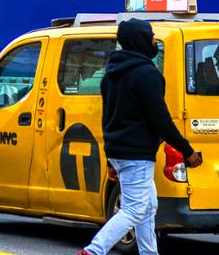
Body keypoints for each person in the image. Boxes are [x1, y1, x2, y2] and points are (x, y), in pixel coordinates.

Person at [79, 18, 203, 255]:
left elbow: (108, 118)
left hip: (119, 152)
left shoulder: (111, 74)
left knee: (148, 207)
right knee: (134, 210)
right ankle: (93, 251)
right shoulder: (147, 74)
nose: (154, 40)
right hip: (136, 154)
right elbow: (161, 120)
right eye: (150, 36)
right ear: (140, 40)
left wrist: (109, 160)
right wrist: (187, 151)